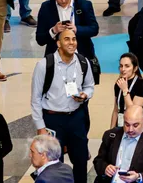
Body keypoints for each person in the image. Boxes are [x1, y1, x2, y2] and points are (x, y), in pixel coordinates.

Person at [29, 26, 94, 175]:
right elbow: (35, 99)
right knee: (54, 164)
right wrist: (41, 127)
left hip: (76, 117)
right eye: (66, 39)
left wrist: (85, 95)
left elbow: (90, 86)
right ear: (58, 43)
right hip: (53, 120)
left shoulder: (83, 62)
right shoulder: (44, 65)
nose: (71, 43)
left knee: (81, 160)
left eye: (74, 39)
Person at [92, 105, 143, 183]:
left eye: (135, 125)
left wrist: (138, 177)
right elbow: (98, 161)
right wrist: (105, 168)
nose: (130, 129)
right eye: (127, 124)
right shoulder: (111, 135)